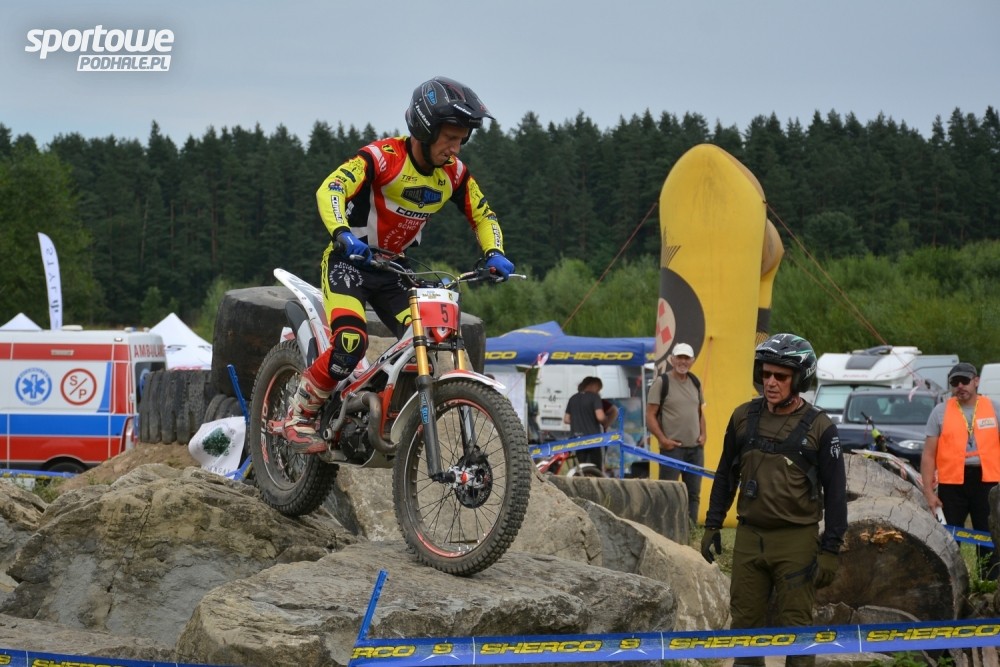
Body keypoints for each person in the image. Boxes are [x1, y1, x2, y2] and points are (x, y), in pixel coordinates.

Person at [282, 76, 515, 453]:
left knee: (427, 340)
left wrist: (495, 251)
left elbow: (483, 215)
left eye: (462, 139)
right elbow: (331, 189)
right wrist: (343, 234)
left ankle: (386, 417)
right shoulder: (382, 158)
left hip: (395, 272)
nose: (455, 148)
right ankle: (299, 416)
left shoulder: (454, 173)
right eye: (450, 138)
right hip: (349, 264)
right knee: (350, 340)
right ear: (425, 129)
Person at [702, 333, 847, 667]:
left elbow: (836, 493)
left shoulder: (821, 428)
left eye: (780, 376)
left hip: (796, 539)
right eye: (766, 374)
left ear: (799, 379)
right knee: (744, 629)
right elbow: (725, 474)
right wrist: (712, 523)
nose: (770, 382)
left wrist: (831, 549)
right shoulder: (742, 417)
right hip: (750, 537)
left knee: (798, 632)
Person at [921, 361, 1000, 581]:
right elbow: (928, 455)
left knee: (990, 537)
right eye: (955, 382)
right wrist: (928, 492)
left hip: (988, 482)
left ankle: (990, 585)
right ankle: (950, 584)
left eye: (964, 381)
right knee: (948, 540)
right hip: (952, 484)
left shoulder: (994, 408)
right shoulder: (940, 412)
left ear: (976, 381)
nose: (960, 386)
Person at [645, 342, 706, 523]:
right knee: (667, 494)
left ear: (692, 361)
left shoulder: (695, 382)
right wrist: (663, 440)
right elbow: (650, 415)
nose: (683, 361)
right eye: (679, 357)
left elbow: (699, 412)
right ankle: (664, 529)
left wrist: (704, 435)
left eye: (686, 358)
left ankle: (691, 531)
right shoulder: (661, 382)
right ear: (672, 359)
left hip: (695, 450)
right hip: (672, 450)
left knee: (693, 494)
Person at [563, 376, 609, 470]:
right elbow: (600, 416)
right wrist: (606, 421)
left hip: (576, 439)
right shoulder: (594, 397)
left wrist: (578, 420)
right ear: (593, 385)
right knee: (595, 468)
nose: (598, 391)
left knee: (579, 468)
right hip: (593, 440)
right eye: (598, 388)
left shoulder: (573, 398)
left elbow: (566, 419)